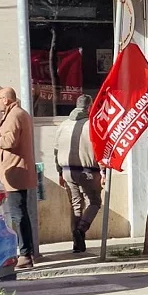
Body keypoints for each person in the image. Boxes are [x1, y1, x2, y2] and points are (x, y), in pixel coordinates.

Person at [53, 95, 102, 253]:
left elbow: (56, 151)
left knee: (76, 205)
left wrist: (60, 172)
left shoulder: (63, 125)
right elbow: (99, 150)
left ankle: (77, 243)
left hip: (67, 171)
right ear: (89, 107)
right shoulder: (91, 125)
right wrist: (104, 170)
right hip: (88, 171)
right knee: (94, 201)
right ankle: (81, 229)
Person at [0, 88, 36, 269]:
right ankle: (25, 252)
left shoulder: (14, 116)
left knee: (18, 215)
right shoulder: (19, 113)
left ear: (5, 99)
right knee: (20, 214)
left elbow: (10, 141)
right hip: (17, 171)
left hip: (15, 172)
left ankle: (25, 254)